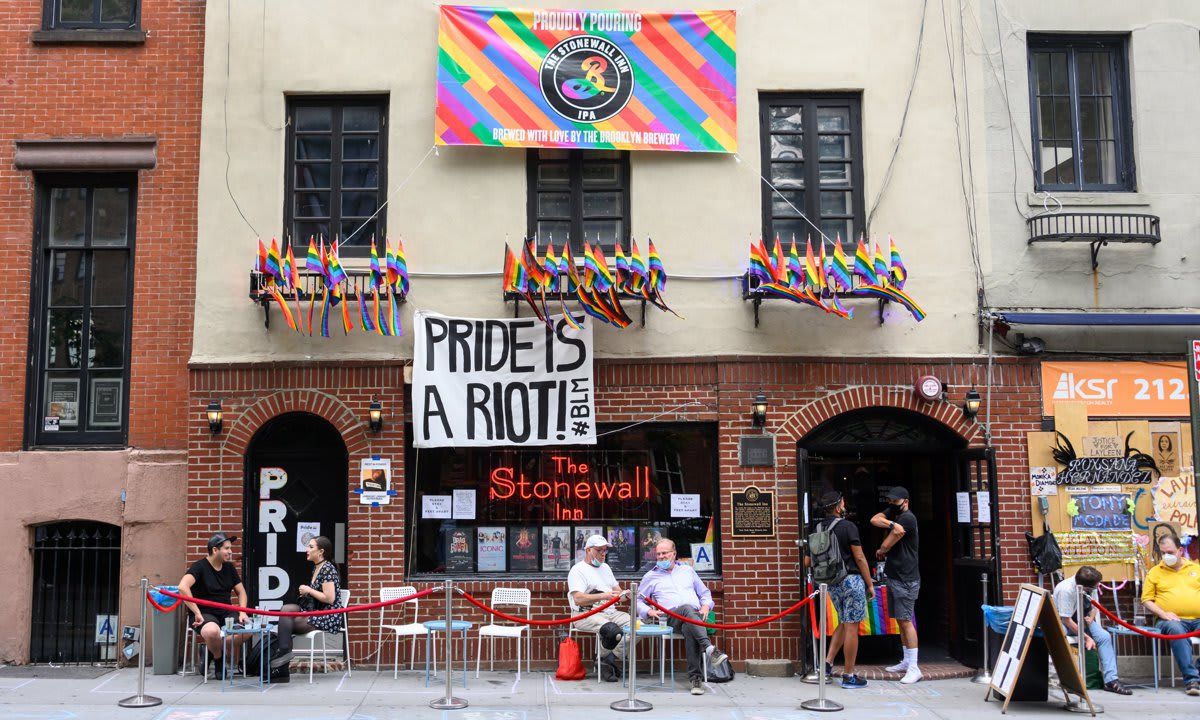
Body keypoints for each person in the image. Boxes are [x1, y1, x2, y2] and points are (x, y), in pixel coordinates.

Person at [638, 538, 729, 695]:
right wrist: (650, 612)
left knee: (689, 627)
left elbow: (705, 593)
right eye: (658, 554)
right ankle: (709, 648)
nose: (660, 556)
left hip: (693, 617)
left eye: (664, 553)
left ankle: (696, 680)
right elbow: (639, 600)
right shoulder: (650, 576)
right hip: (670, 617)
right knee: (687, 608)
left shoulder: (687, 571)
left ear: (674, 554)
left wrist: (706, 605)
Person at [813, 491, 873, 688]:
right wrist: (870, 583)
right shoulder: (848, 526)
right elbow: (860, 557)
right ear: (838, 506)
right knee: (852, 626)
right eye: (843, 501)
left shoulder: (819, 527)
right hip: (851, 579)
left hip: (831, 581)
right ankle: (849, 675)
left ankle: (827, 664)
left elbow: (808, 560)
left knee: (844, 621)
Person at [177, 532, 251, 678]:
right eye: (227, 548)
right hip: (204, 613)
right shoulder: (199, 567)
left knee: (248, 630)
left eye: (230, 548)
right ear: (215, 550)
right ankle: (218, 659)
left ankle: (212, 649)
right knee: (212, 632)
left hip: (226, 613)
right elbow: (182, 587)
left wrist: (242, 612)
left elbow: (241, 592)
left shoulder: (229, 568)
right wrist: (196, 612)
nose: (230, 552)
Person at [272, 535, 344, 682]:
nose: (307, 550)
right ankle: (283, 658)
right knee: (286, 609)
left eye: (311, 547)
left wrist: (308, 590)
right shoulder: (317, 567)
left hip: (327, 614)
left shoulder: (327, 569)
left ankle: (282, 664)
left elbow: (330, 599)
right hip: (316, 610)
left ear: (321, 552)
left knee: (287, 622)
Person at [1052, 566, 1132, 694]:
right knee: (1060, 636)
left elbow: (1095, 605)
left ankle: (1111, 680)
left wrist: (1091, 617)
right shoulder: (1065, 590)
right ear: (1085, 587)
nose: (1098, 587)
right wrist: (1087, 637)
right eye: (1095, 586)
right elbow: (1065, 619)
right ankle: (1070, 680)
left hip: (1083, 618)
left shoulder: (1091, 586)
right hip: (1064, 621)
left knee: (1104, 636)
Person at [871, 486, 921, 684]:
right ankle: (907, 660)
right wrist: (891, 523)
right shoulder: (894, 514)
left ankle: (915, 667)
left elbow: (888, 543)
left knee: (906, 620)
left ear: (905, 501)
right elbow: (874, 519)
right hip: (895, 575)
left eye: (896, 501)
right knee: (900, 620)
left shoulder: (908, 518)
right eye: (891, 501)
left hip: (906, 577)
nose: (892, 504)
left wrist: (882, 548)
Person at [1141, 534, 1200, 695]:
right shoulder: (1155, 572)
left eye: (1170, 552)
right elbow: (1146, 600)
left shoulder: (1196, 569)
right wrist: (1163, 613)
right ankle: (1191, 680)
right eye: (1163, 553)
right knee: (1176, 630)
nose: (1167, 556)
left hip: (1198, 619)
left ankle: (1197, 671)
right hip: (1170, 621)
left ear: (1180, 550)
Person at [567, 534, 629, 681]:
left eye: (605, 551)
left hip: (610, 611)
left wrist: (627, 594)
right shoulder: (577, 570)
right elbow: (578, 599)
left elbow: (618, 591)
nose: (603, 554)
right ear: (588, 550)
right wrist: (604, 596)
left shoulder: (606, 568)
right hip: (586, 613)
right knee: (612, 630)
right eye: (599, 550)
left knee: (637, 627)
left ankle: (607, 659)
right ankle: (605, 663)